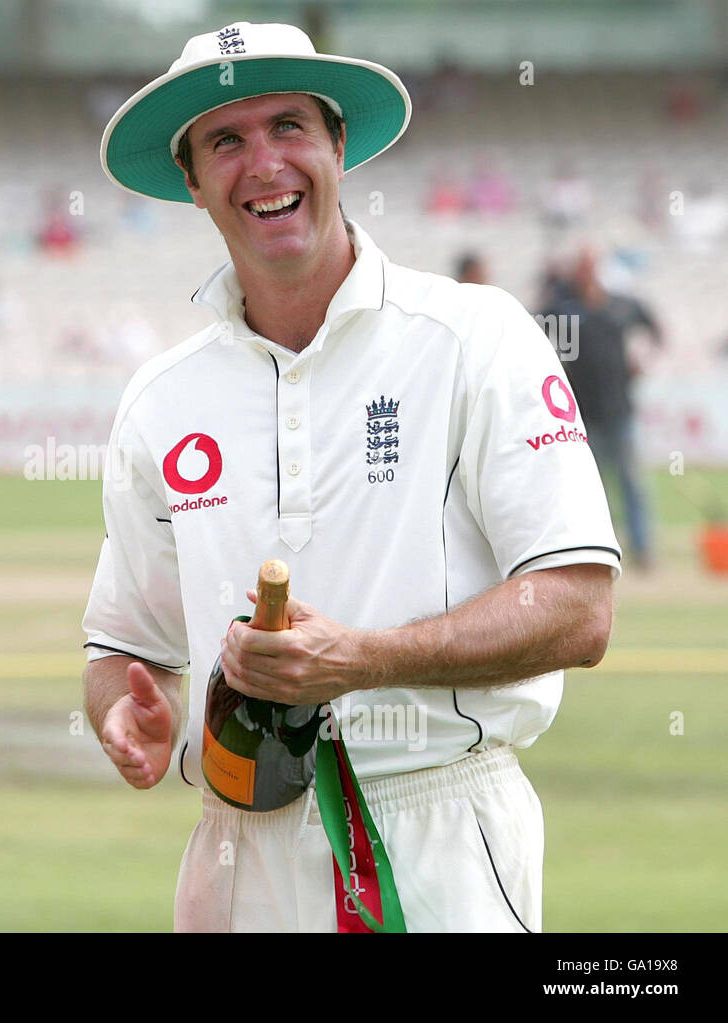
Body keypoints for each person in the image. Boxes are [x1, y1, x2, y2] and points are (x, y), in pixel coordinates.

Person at [83, 23, 620, 933]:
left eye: (288, 126)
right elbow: (125, 648)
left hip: (436, 825)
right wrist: (126, 715)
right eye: (225, 140)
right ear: (192, 180)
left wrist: (363, 659)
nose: (263, 164)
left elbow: (579, 607)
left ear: (338, 146)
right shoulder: (160, 397)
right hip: (233, 847)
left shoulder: (474, 335)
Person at [543, 246, 664, 571]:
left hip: (619, 410)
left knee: (631, 483)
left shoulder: (620, 307)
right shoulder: (562, 307)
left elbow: (655, 329)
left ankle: (642, 550)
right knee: (591, 488)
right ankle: (598, 549)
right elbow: (536, 334)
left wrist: (644, 360)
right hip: (582, 416)